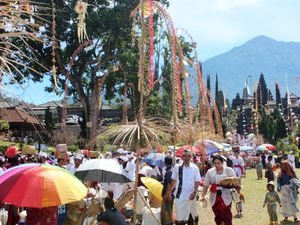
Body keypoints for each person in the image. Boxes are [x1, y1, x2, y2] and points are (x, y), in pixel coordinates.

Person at [166, 149, 201, 225]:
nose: (186, 158)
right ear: (181, 157)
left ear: (191, 157)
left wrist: (194, 192)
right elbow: (173, 181)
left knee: (193, 213)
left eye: (188, 156)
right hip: (180, 195)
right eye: (184, 156)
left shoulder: (194, 168)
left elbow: (197, 181)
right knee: (180, 218)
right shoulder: (177, 167)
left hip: (191, 195)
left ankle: (195, 221)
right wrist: (169, 192)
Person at [201, 155, 236, 225]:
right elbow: (206, 185)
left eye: (218, 163)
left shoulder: (228, 170)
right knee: (218, 214)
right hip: (214, 196)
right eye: (215, 163)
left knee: (226, 215)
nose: (217, 165)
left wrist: (229, 184)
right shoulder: (210, 172)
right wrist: (202, 195)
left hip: (226, 195)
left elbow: (235, 181)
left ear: (222, 163)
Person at [161, 156, 174, 225]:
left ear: (165, 162)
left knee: (166, 211)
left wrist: (167, 194)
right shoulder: (170, 170)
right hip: (169, 193)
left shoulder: (169, 171)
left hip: (168, 194)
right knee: (167, 210)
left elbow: (169, 183)